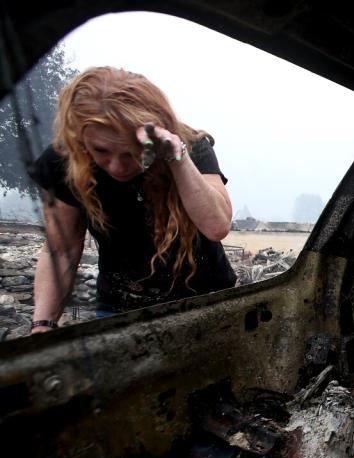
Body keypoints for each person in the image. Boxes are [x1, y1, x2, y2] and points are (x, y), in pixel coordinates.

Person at [28, 67, 236, 333]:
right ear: (80, 138)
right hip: (119, 310)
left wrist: (177, 159)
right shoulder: (63, 162)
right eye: (101, 150)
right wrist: (43, 324)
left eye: (130, 153)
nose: (116, 167)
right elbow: (62, 249)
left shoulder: (190, 147)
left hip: (208, 303)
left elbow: (216, 226)